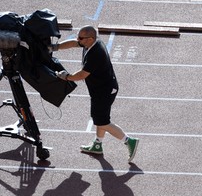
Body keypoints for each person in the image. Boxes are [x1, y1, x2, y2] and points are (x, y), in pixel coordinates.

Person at [52, 25, 139, 163]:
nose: (77, 39)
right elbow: (74, 43)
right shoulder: (90, 43)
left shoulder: (95, 53)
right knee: (100, 117)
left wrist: (66, 76)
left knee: (102, 121)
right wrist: (55, 47)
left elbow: (82, 75)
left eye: (81, 38)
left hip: (104, 91)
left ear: (90, 39)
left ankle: (129, 141)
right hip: (100, 89)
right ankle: (97, 144)